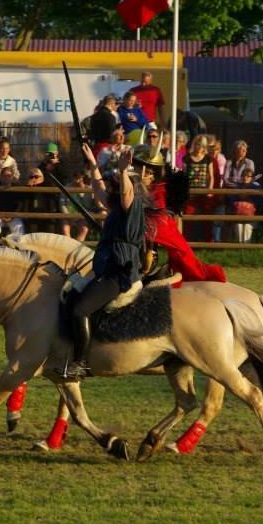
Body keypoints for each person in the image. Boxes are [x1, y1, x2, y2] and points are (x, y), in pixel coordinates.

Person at [65, 143, 145, 378]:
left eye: (116, 184)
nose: (112, 187)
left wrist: (122, 171)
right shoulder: (116, 209)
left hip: (118, 273)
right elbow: (100, 192)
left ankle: (80, 363)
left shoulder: (131, 206)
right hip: (105, 270)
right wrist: (93, 166)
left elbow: (126, 194)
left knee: (80, 311)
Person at [133, 144, 227, 283]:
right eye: (137, 168)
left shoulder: (159, 190)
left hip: (157, 228)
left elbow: (157, 216)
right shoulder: (135, 185)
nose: (137, 172)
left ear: (152, 174)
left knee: (183, 256)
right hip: (141, 228)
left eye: (143, 171)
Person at [0, 167, 24, 239]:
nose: (6, 178)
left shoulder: (17, 187)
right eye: (4, 176)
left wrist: (12, 216)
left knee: (19, 226)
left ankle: (18, 248)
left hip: (12, 216)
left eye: (9, 176)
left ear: (12, 176)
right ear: (1, 177)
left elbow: (20, 204)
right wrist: (1, 215)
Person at [60, 170, 97, 242]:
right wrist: (70, 217)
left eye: (80, 178)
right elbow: (63, 205)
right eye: (76, 177)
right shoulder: (66, 188)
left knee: (84, 229)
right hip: (68, 215)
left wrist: (82, 192)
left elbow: (90, 207)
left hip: (83, 216)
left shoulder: (90, 190)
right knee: (65, 227)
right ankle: (68, 246)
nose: (77, 180)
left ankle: (74, 249)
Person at [229, 168, 261, 243]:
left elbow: (259, 202)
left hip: (252, 215)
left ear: (252, 178)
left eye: (248, 176)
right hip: (238, 214)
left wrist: (249, 198)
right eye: (243, 176)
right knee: (238, 226)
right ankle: (241, 248)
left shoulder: (256, 188)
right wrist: (238, 199)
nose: (245, 177)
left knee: (247, 226)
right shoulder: (237, 187)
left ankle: (246, 247)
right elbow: (231, 201)